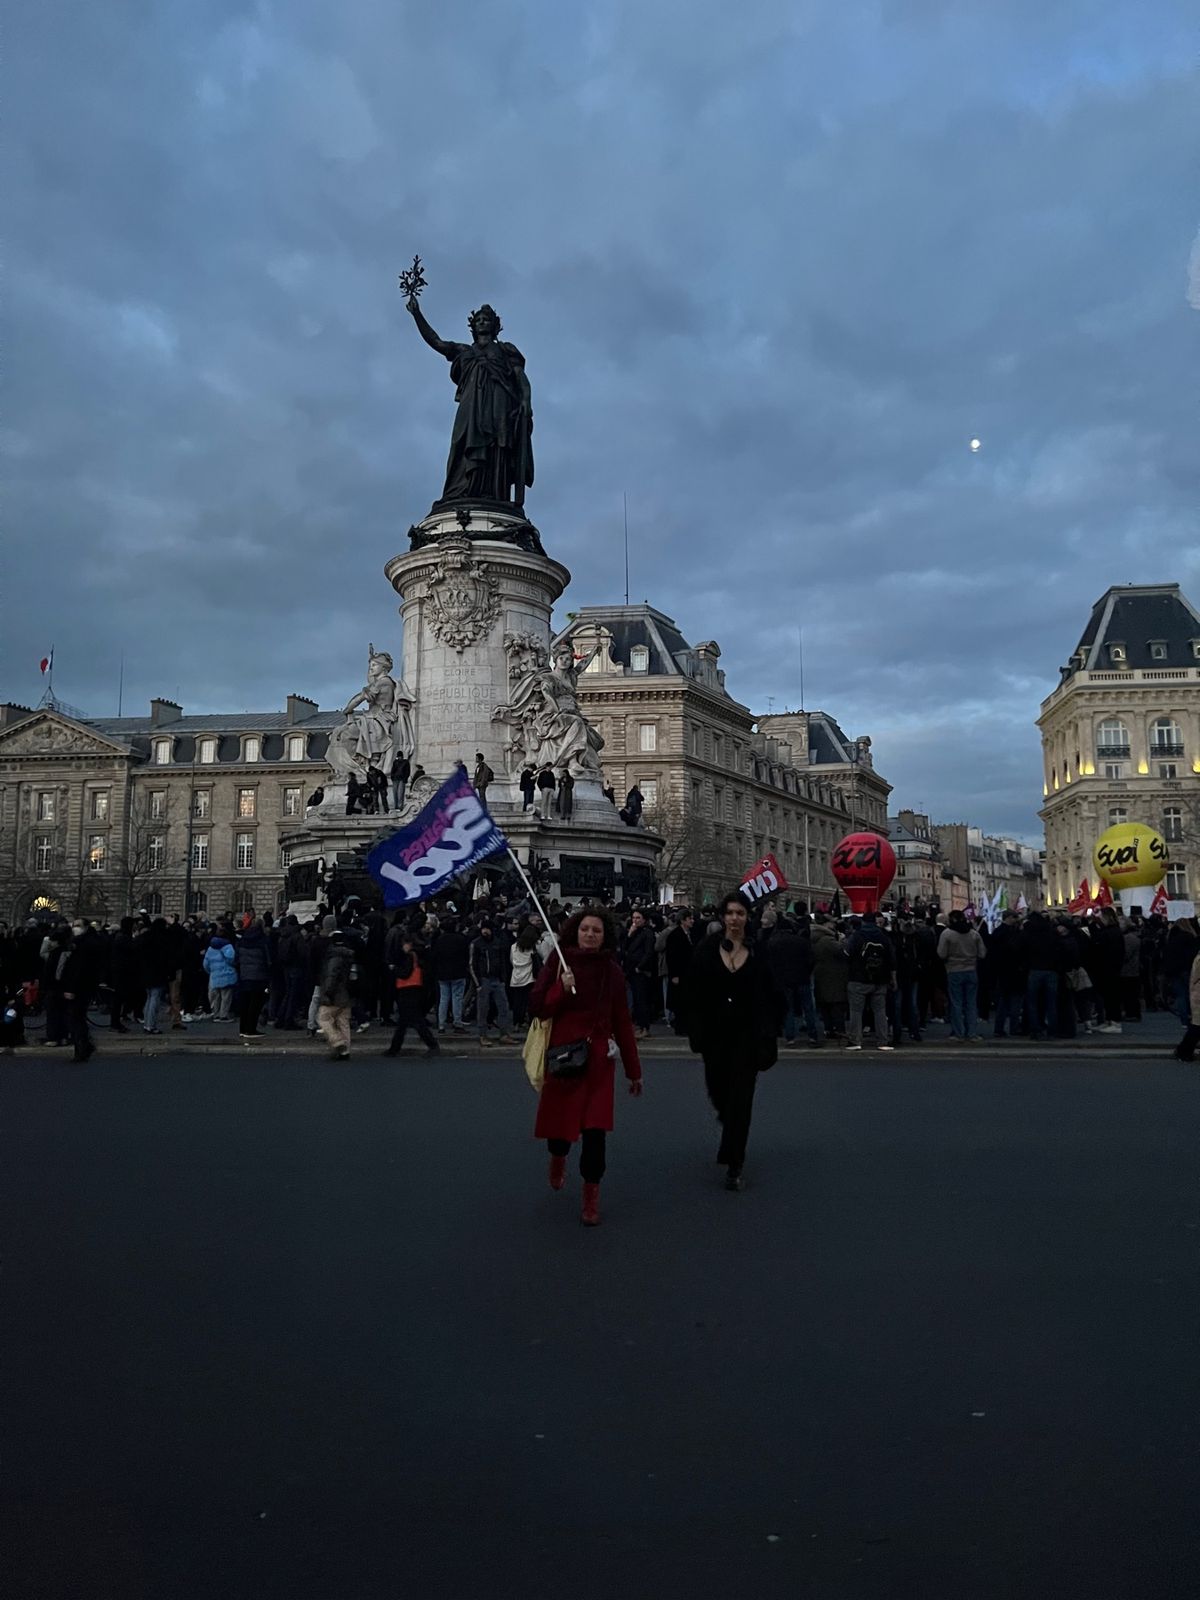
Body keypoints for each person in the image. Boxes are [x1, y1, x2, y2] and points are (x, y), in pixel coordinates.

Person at [529, 909, 643, 1225]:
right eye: (584, 929)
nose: (590, 934)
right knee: (560, 1131)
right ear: (574, 932)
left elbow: (622, 1021)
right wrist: (561, 990)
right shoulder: (559, 961)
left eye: (596, 930)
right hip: (564, 1057)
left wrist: (634, 1070)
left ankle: (591, 1196)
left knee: (595, 1133)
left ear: (605, 935)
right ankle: (558, 1156)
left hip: (597, 1062)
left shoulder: (612, 972)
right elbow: (538, 1007)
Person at [687, 893, 783, 1190]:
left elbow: (772, 994)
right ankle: (728, 1122)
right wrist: (695, 1030)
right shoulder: (706, 950)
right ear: (722, 917)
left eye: (740, 913)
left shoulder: (758, 952)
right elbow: (693, 993)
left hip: (747, 1036)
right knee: (719, 1092)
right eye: (729, 913)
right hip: (715, 1036)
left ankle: (734, 1162)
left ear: (747, 917)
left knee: (741, 1099)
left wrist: (769, 1032)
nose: (734, 919)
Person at [844, 911, 896, 1051]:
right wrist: (893, 979)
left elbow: (847, 953)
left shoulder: (857, 935)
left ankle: (855, 1040)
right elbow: (891, 959)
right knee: (880, 1010)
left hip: (858, 977)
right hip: (880, 978)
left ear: (863, 921)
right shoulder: (884, 936)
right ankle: (883, 1040)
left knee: (856, 1011)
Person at [383, 933, 440, 1057]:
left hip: (408, 990)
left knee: (414, 1021)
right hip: (414, 989)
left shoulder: (410, 956)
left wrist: (394, 969)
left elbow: (405, 973)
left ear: (408, 944)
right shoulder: (418, 955)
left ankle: (432, 1045)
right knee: (404, 1022)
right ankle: (395, 1048)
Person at [936, 911, 985, 1041]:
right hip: (971, 970)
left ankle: (959, 1033)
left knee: (956, 1003)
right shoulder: (974, 934)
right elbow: (982, 954)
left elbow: (941, 954)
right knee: (971, 1003)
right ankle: (972, 1033)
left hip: (954, 970)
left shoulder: (947, 934)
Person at [470, 921, 514, 1046]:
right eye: (483, 929)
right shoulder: (477, 944)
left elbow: (503, 962)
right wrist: (477, 984)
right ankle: (483, 1035)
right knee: (483, 1009)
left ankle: (504, 1033)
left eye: (487, 929)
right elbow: (472, 964)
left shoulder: (497, 943)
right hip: (484, 979)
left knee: (503, 1007)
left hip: (497, 979)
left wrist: (503, 979)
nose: (485, 931)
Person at [317, 915, 355, 1060]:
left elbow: (331, 976)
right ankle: (346, 1050)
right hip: (347, 991)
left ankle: (338, 1042)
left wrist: (327, 992)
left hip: (335, 993)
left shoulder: (333, 956)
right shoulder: (349, 955)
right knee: (343, 1021)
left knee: (323, 1018)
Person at [622, 909, 657, 1039]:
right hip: (631, 969)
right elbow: (624, 948)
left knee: (642, 999)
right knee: (636, 999)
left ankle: (644, 1026)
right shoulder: (634, 932)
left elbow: (649, 952)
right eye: (633, 918)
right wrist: (629, 935)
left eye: (638, 918)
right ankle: (640, 1025)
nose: (635, 921)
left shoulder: (647, 933)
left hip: (640, 970)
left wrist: (640, 966)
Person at [235, 912, 271, 1039]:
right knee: (255, 1005)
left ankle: (243, 1029)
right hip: (259, 976)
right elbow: (268, 960)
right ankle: (251, 1029)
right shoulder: (263, 941)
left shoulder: (243, 940)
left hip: (244, 976)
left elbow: (237, 959)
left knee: (245, 1003)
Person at [1091, 907, 1126, 1033]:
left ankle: (1115, 1023)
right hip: (1108, 968)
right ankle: (1110, 1020)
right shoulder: (1112, 931)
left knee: (1112, 996)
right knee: (1108, 996)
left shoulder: (1112, 932)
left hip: (1109, 968)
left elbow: (1110, 951)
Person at [508, 923, 541, 1029]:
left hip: (516, 977)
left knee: (517, 1001)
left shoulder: (514, 947)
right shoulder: (533, 948)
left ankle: (516, 1022)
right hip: (529, 977)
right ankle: (529, 1022)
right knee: (529, 1001)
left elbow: (511, 961)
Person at [203, 928, 239, 1020]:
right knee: (226, 997)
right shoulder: (228, 946)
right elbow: (231, 959)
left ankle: (216, 1014)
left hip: (214, 975)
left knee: (216, 996)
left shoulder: (211, 947)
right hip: (227, 974)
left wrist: (211, 972)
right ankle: (223, 1015)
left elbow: (205, 963)